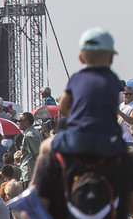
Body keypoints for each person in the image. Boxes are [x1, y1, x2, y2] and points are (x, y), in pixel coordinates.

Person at [54, 28, 126, 157]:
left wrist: (77, 115)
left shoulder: (76, 78)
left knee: (46, 149)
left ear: (81, 58)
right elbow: (117, 102)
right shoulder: (112, 78)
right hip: (108, 138)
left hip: (78, 137)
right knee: (129, 162)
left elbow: (62, 105)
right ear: (110, 58)